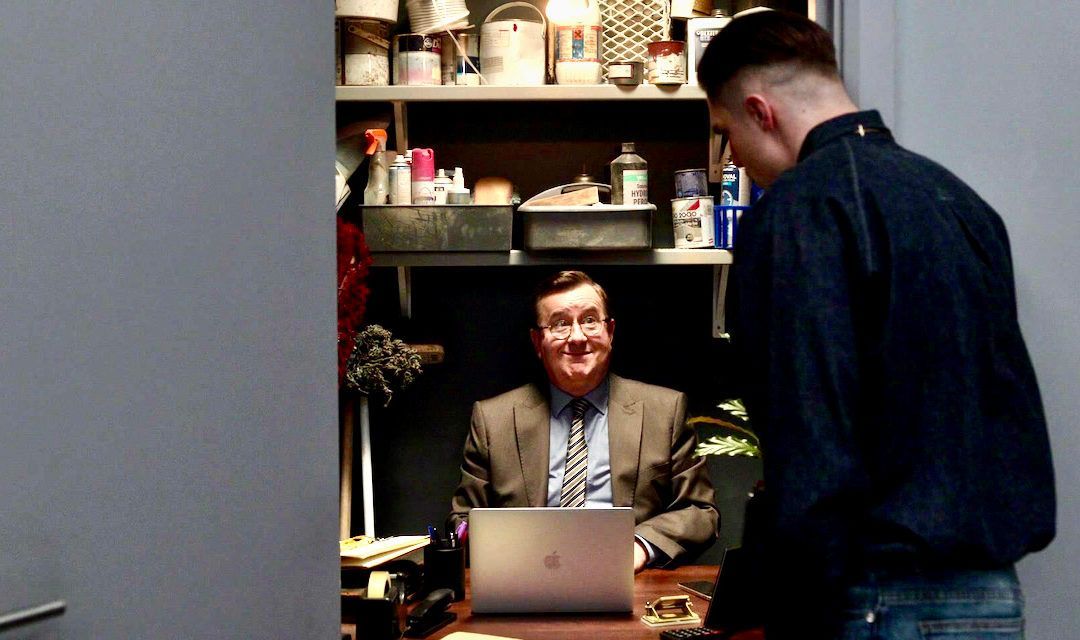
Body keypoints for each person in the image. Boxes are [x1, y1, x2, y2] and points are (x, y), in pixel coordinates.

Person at [697, 10, 1056, 640]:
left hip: (868, 600)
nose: (732, 156)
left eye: (725, 131)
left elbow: (808, 428)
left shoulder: (797, 214)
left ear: (760, 112)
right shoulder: (963, 204)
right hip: (992, 595)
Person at [449, 270, 719, 572]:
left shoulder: (665, 411)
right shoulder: (493, 420)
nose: (577, 337)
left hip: (629, 584)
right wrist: (491, 542)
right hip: (527, 581)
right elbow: (462, 520)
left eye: (590, 320)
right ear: (538, 342)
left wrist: (639, 548)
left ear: (611, 332)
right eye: (560, 324)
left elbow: (699, 511)